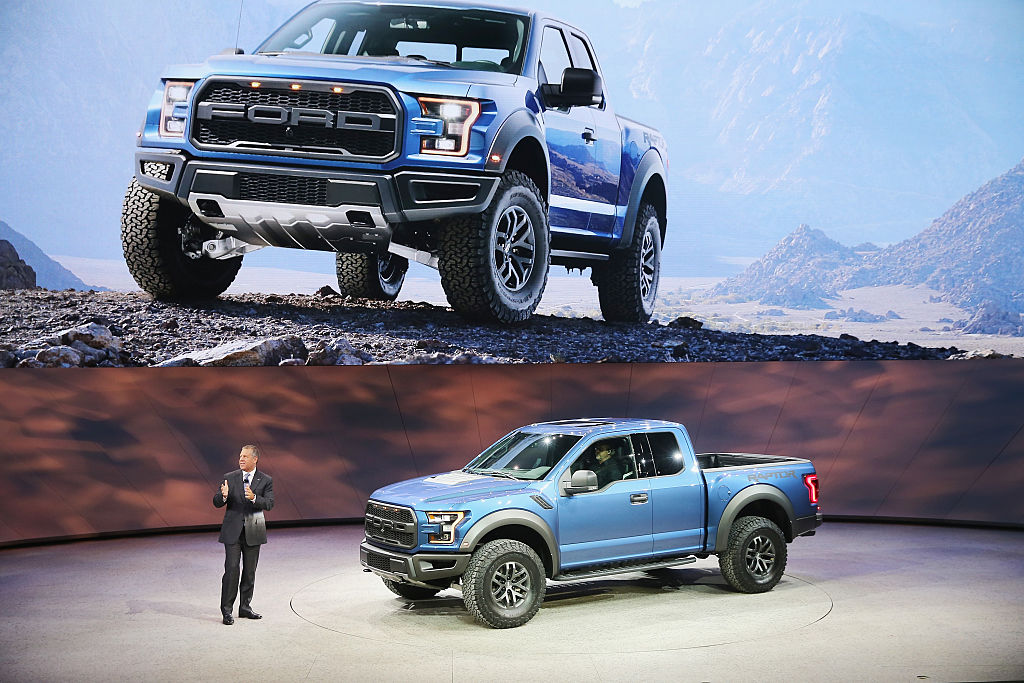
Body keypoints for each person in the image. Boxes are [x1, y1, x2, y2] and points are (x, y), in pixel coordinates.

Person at [213, 444, 274, 625]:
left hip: (254, 530)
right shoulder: (229, 478)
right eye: (240, 455)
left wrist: (255, 498)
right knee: (231, 570)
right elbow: (216, 502)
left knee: (249, 572)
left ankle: (245, 607)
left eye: (245, 456)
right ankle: (227, 611)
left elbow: (270, 503)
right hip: (232, 531)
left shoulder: (265, 480)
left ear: (255, 459)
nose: (241, 459)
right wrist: (223, 496)